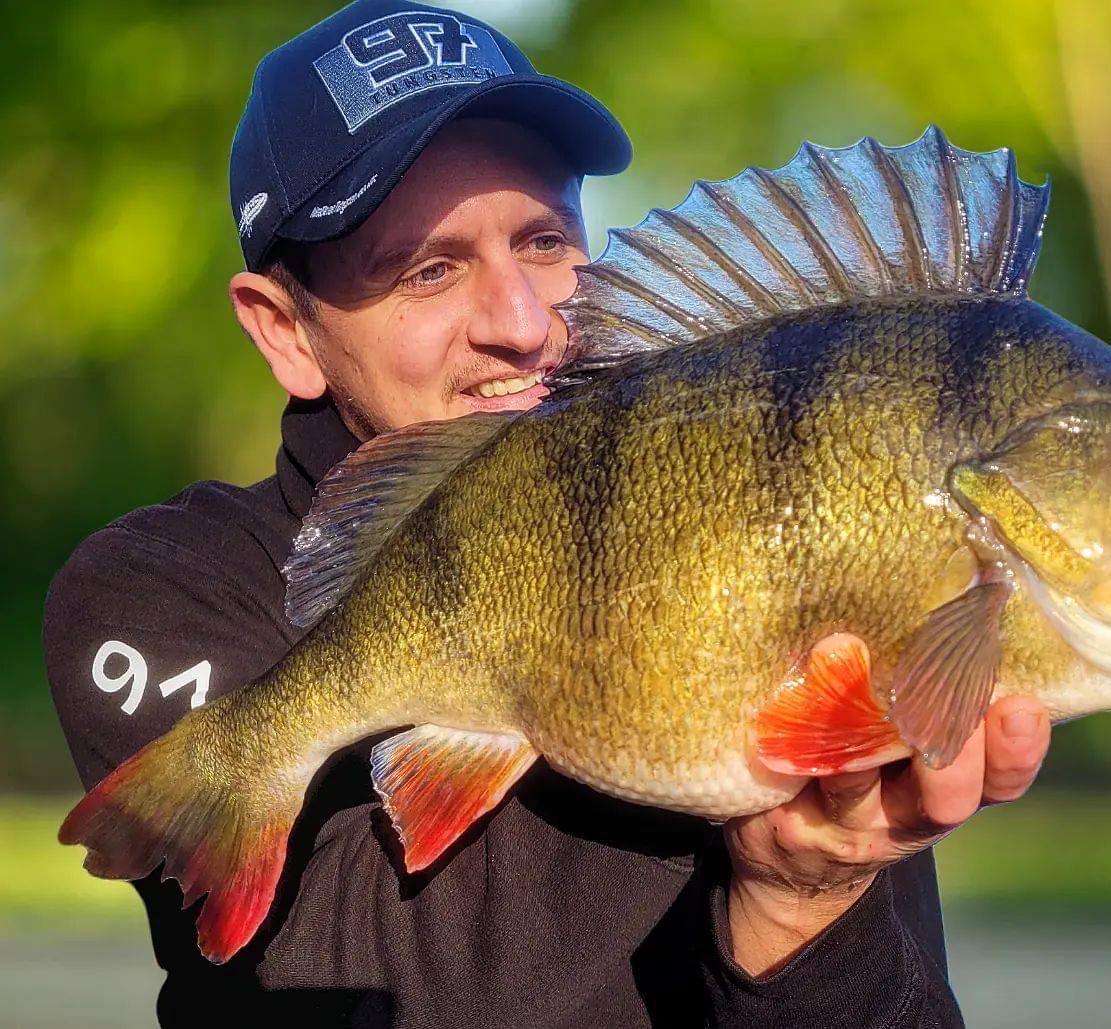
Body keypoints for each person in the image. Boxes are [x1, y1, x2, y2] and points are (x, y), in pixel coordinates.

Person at [43, 2, 1052, 1025]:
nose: (524, 326)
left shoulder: (758, 522)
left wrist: (799, 897)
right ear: (285, 331)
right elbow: (328, 986)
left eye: (544, 240)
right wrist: (648, 681)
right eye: (427, 269)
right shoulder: (161, 583)